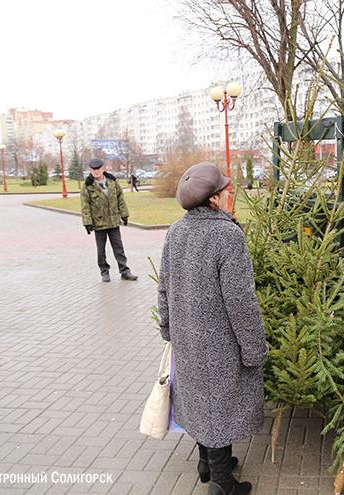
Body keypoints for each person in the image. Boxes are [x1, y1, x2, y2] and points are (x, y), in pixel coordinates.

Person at [157, 162, 266, 495]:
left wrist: (168, 329)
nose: (230, 193)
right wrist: (254, 348)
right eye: (226, 190)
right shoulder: (227, 235)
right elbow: (241, 302)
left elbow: (164, 287)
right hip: (221, 343)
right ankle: (222, 485)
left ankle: (207, 465)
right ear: (214, 199)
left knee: (201, 404)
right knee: (218, 409)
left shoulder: (176, 231)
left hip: (187, 340)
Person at [80, 158, 138, 282]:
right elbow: (85, 205)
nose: (96, 172)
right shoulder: (87, 186)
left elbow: (120, 199)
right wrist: (87, 222)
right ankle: (104, 272)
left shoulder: (112, 182)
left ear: (103, 169)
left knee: (119, 248)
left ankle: (125, 271)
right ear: (90, 170)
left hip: (113, 221)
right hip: (99, 223)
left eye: (98, 169)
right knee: (101, 251)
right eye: (93, 169)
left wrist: (124, 215)